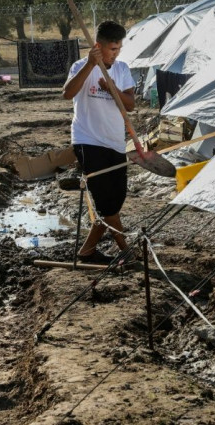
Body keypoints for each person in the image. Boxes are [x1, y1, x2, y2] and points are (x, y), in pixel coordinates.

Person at [62, 20, 136, 263]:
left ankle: (87, 251)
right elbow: (68, 93)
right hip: (88, 140)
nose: (117, 53)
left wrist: (112, 87)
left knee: (114, 201)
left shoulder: (122, 69)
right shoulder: (81, 66)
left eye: (119, 49)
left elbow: (130, 105)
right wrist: (91, 64)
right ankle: (126, 249)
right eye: (113, 49)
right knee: (106, 202)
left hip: (115, 142)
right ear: (98, 47)